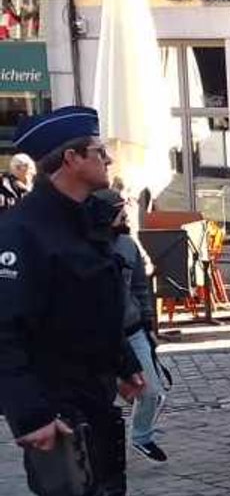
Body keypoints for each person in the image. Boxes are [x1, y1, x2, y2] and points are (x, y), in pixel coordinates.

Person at [2, 107, 148, 496]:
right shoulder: (23, 230)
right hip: (54, 402)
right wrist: (30, 414)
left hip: (94, 391)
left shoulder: (81, 220)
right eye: (98, 149)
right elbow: (4, 331)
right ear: (71, 159)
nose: (107, 158)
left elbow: (93, 307)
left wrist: (124, 363)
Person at [93, 189, 168, 464]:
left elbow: (140, 287)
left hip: (132, 329)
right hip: (97, 337)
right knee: (101, 398)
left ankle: (142, 437)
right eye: (118, 210)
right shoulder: (83, 246)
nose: (125, 214)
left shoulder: (127, 243)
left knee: (152, 391)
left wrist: (148, 325)